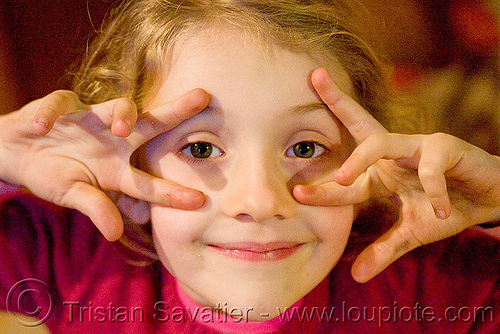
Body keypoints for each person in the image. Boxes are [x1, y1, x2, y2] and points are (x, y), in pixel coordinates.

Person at [0, 0, 499, 332]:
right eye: (199, 149)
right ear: (125, 174)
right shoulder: (78, 260)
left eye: (305, 149)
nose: (260, 203)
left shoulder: (429, 282)